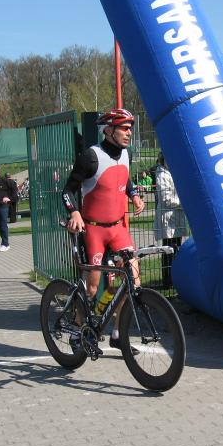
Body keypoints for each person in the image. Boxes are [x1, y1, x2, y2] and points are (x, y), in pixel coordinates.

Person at [62, 107, 145, 350]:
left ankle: (118, 334)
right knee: (92, 287)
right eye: (124, 128)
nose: (129, 133)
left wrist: (134, 194)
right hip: (94, 231)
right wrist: (74, 212)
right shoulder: (91, 156)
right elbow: (67, 191)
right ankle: (78, 330)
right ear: (109, 130)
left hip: (117, 229)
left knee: (132, 280)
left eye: (130, 128)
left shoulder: (127, 153)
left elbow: (124, 178)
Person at [153, 153, 188, 287]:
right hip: (167, 218)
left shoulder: (173, 172)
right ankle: (168, 280)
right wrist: (183, 203)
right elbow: (166, 199)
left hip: (177, 216)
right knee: (168, 250)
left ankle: (175, 278)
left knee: (176, 249)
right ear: (163, 160)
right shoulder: (161, 174)